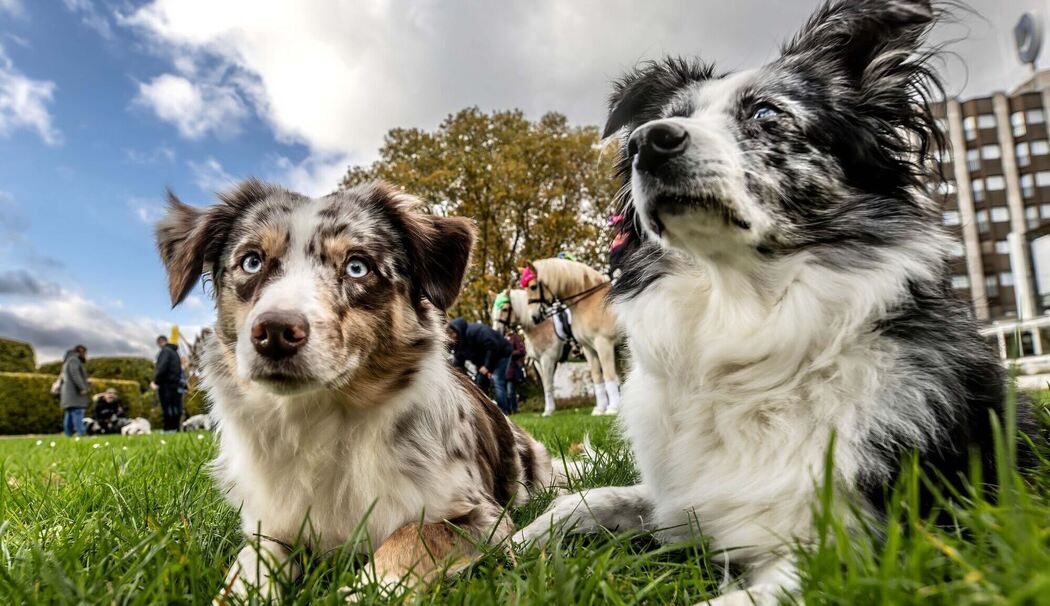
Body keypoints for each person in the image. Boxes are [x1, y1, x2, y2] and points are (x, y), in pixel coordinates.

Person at [447, 318, 513, 414]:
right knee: (479, 384)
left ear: (454, 332)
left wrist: (487, 366)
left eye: (450, 336)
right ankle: (484, 413)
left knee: (497, 380)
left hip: (501, 353)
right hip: (484, 361)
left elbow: (492, 346)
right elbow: (459, 363)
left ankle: (504, 412)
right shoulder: (459, 344)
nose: (450, 340)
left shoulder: (476, 331)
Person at [151, 335, 183, 432]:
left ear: (160, 342)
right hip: (176, 384)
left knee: (167, 406)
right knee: (176, 407)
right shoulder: (175, 352)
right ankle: (176, 428)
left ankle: (168, 428)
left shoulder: (165, 351)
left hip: (166, 384)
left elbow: (162, 367)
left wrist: (156, 381)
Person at [59, 345, 90, 437]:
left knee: (69, 414)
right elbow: (75, 374)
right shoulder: (74, 360)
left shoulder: (68, 360)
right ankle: (82, 434)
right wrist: (83, 387)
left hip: (69, 393)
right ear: (81, 351)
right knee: (78, 412)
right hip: (74, 393)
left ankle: (68, 434)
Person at [504, 328, 527, 414]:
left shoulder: (515, 338)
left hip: (512, 369)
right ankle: (507, 410)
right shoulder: (502, 337)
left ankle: (514, 409)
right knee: (504, 392)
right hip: (502, 370)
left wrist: (510, 353)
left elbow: (522, 351)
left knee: (511, 392)